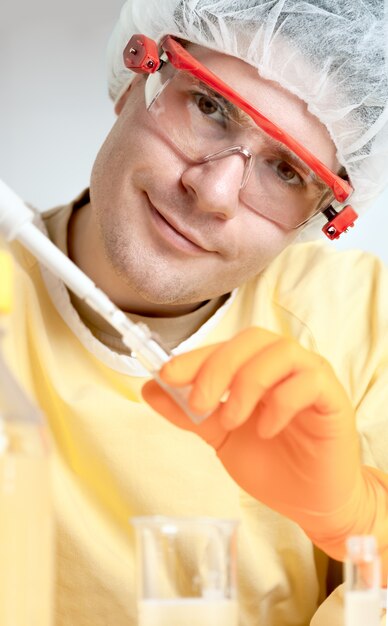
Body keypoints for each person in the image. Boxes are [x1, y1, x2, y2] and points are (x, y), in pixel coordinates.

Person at [2, 0, 388, 624]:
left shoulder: (362, 321)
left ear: (321, 222)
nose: (211, 193)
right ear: (136, 76)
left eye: (286, 171)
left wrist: (359, 519)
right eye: (209, 107)